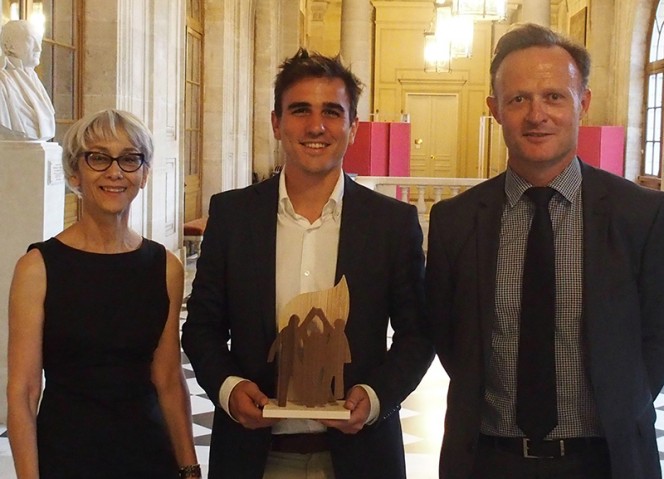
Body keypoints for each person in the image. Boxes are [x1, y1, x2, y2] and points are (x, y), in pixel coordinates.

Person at [426, 22, 664, 479]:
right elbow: (449, 339)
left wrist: (620, 407)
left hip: (606, 461)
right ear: (495, 109)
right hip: (487, 461)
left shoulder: (642, 216)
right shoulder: (454, 221)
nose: (537, 115)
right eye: (518, 99)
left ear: (583, 103)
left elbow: (656, 340)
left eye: (554, 96)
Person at [182, 49, 434, 479]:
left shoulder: (392, 223)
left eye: (332, 113)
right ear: (276, 122)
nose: (316, 126)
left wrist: (374, 398)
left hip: (359, 457)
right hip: (253, 457)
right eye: (300, 110)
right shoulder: (232, 215)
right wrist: (229, 389)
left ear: (353, 127)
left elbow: (418, 335)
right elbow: (202, 327)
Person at [7, 109, 200, 479]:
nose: (115, 171)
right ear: (74, 173)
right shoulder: (37, 267)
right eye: (98, 157)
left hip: (148, 455)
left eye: (130, 159)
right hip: (66, 455)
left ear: (144, 174)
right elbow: (24, 391)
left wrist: (190, 470)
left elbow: (169, 380)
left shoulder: (165, 267)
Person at [0, 20, 55, 141]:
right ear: (9, 45)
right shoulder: (2, 81)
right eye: (31, 41)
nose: (38, 48)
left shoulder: (34, 79)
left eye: (39, 41)